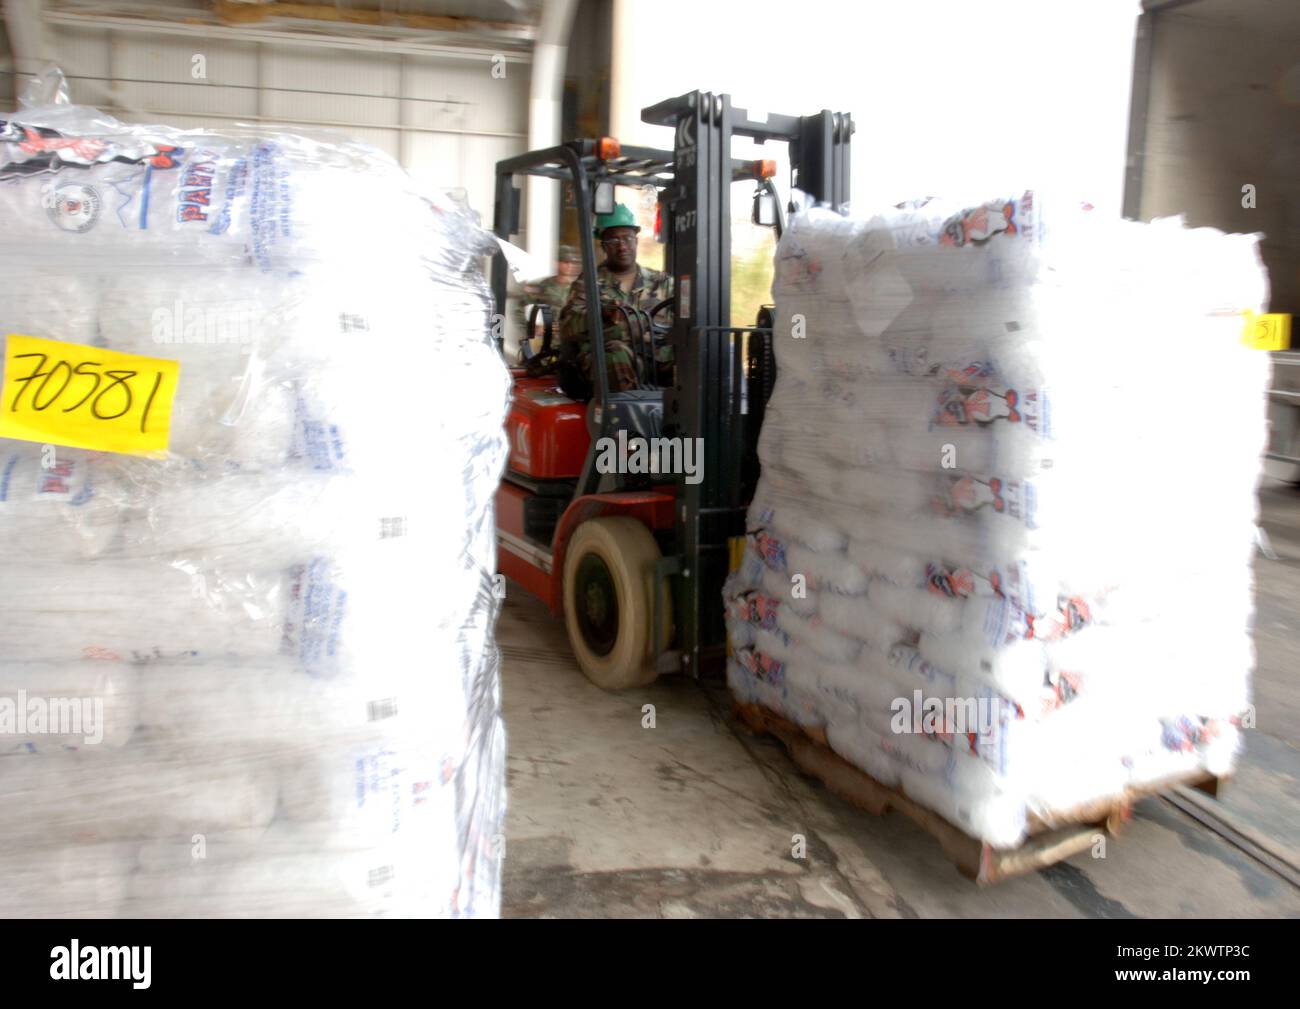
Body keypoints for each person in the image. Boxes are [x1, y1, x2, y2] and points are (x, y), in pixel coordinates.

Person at [557, 203, 672, 393]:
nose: (622, 246)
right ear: (603, 246)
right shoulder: (588, 284)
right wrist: (602, 314)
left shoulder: (662, 282)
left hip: (654, 358)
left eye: (627, 238)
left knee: (705, 349)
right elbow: (568, 326)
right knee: (616, 355)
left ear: (636, 240)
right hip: (607, 360)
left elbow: (685, 317)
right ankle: (623, 423)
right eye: (614, 241)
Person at [516, 244, 581, 346]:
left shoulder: (579, 288)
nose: (570, 266)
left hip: (573, 342)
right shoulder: (542, 286)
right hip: (549, 343)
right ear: (557, 263)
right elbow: (518, 308)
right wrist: (533, 328)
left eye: (572, 263)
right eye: (565, 262)